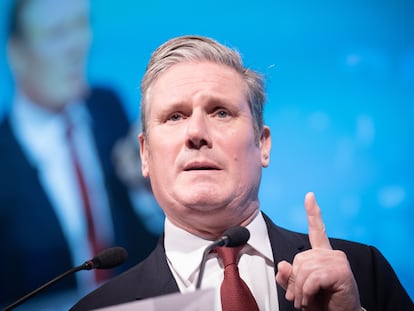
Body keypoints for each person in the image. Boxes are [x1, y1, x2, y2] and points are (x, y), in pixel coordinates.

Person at [70, 35, 413, 311]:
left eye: (220, 112)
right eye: (175, 116)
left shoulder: (361, 271)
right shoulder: (101, 308)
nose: (196, 133)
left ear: (262, 144)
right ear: (145, 154)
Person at [0, 0, 159, 306]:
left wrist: (144, 189)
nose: (76, 46)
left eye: (80, 26)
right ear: (17, 54)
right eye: (57, 33)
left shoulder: (107, 109)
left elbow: (144, 249)